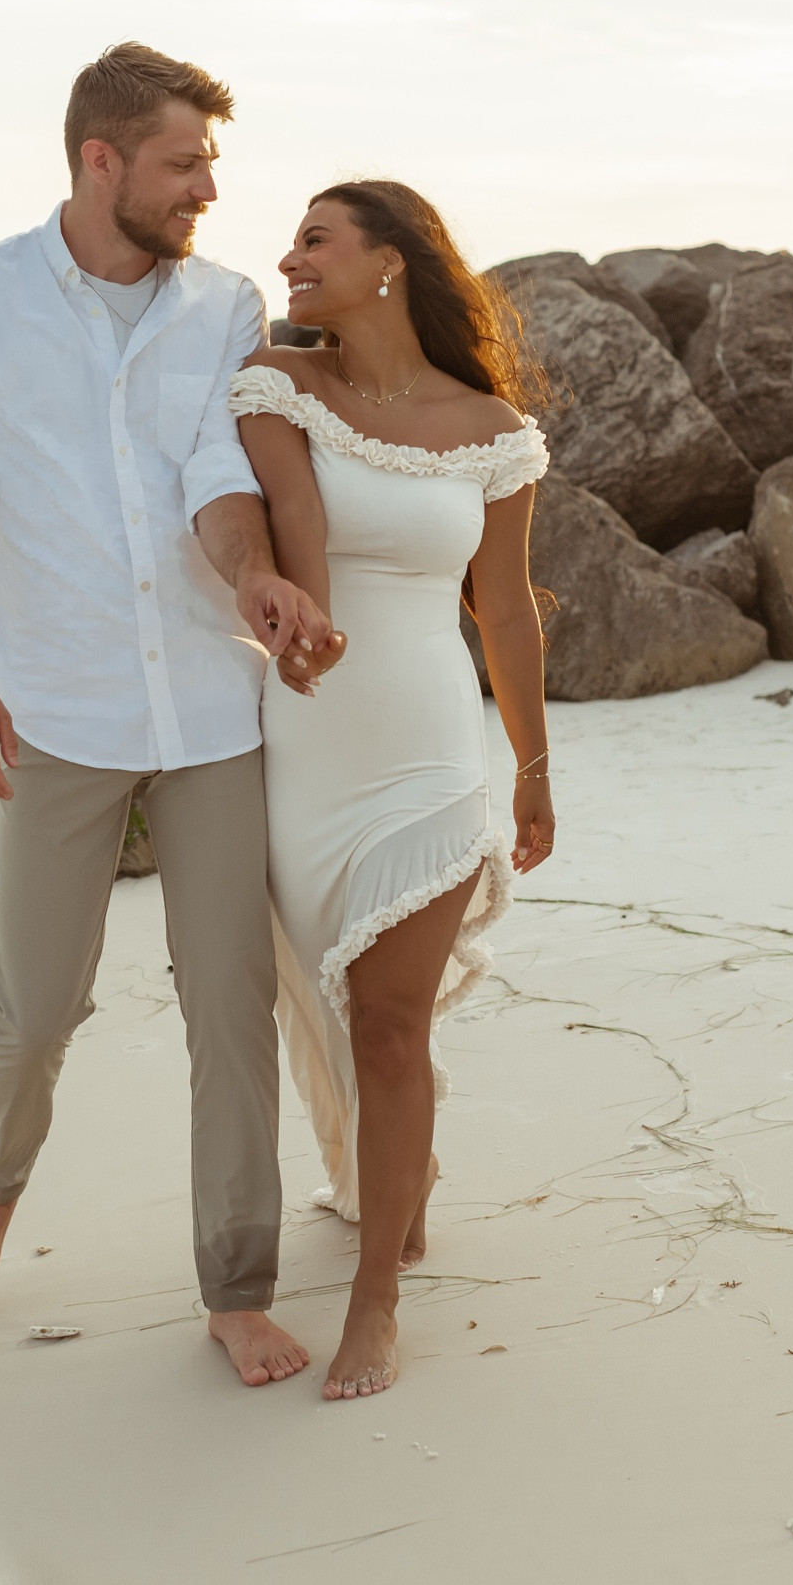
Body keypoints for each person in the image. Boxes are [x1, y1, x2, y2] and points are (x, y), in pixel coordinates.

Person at [0, 42, 333, 1388]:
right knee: (38, 1004)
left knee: (231, 1002)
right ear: (101, 162)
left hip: (208, 710)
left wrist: (254, 576)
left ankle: (235, 1285)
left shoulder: (224, 305)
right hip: (58, 709)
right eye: (183, 161)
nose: (209, 185)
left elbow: (217, 471)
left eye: (209, 161)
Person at [229, 180, 554, 1401]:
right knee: (317, 994)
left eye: (315, 238)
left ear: (388, 262)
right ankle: (386, 1186)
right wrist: (306, 630)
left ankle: (376, 1298)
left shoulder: (490, 426)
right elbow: (295, 512)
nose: (289, 255)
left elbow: (506, 608)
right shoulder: (276, 384)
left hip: (426, 743)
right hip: (307, 743)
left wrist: (531, 766)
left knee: (388, 1018)